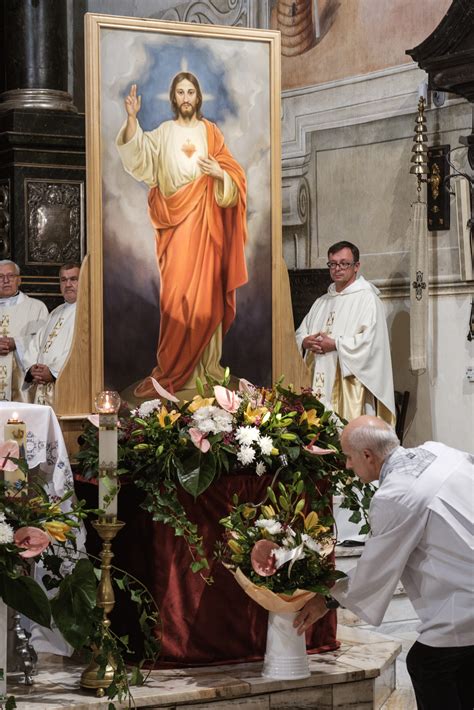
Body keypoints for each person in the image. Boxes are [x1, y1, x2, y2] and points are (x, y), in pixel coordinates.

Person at [294, 416, 474, 710]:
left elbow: (374, 569)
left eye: (349, 458)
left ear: (367, 455)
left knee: (427, 664)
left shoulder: (395, 495)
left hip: (464, 603)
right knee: (463, 668)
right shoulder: (442, 452)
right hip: (464, 588)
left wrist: (327, 599)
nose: (348, 466)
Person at [116, 72, 248, 398]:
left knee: (206, 301)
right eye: (180, 92)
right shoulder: (162, 133)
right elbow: (141, 158)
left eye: (191, 91)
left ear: (197, 96)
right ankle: (176, 370)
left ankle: (207, 369)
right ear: (174, 99)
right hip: (174, 228)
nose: (186, 97)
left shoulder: (210, 132)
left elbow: (235, 177)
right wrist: (132, 120)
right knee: (176, 300)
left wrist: (220, 175)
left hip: (207, 228)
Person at [295, 241, 395, 424]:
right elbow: (300, 332)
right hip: (317, 381)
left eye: (344, 263)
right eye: (332, 264)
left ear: (356, 266)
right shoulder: (321, 302)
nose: (337, 268)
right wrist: (305, 342)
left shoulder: (368, 299)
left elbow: (372, 343)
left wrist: (335, 344)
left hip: (349, 388)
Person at [16, 263, 80, 406]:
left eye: (73, 279)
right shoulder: (56, 312)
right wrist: (33, 368)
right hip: (42, 387)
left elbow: (80, 350)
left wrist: (53, 372)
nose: (68, 284)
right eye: (63, 280)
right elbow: (36, 344)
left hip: (66, 387)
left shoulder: (87, 313)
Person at [0, 260, 48, 402]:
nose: (6, 281)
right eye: (0, 277)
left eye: (11, 276)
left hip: (22, 384)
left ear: (19, 280)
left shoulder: (36, 308)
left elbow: (45, 343)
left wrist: (16, 343)